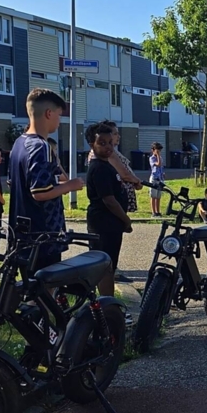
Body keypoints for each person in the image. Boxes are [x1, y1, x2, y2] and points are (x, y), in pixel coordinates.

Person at [9, 89, 84, 273]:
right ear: (49, 113)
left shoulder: (19, 143)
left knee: (28, 287)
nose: (59, 120)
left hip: (21, 231)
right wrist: (70, 186)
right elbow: (40, 192)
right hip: (43, 235)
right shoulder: (41, 147)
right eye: (59, 115)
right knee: (44, 289)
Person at [85, 122, 133, 306]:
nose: (108, 147)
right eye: (102, 143)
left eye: (110, 143)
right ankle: (107, 304)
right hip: (103, 223)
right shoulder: (99, 168)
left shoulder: (107, 166)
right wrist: (126, 220)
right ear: (92, 145)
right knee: (105, 267)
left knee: (110, 265)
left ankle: (108, 303)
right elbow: (109, 200)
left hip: (112, 225)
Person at [86, 120, 141, 214]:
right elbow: (124, 174)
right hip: (111, 205)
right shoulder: (107, 154)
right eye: (115, 134)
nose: (118, 136)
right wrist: (137, 181)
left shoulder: (110, 151)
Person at [149, 142, 164, 217]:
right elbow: (158, 164)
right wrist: (157, 155)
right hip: (154, 178)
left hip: (160, 179)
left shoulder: (160, 158)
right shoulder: (152, 158)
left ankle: (158, 211)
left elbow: (161, 167)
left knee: (158, 196)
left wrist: (163, 174)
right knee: (153, 196)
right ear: (153, 150)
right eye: (157, 150)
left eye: (159, 151)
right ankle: (153, 212)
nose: (159, 152)